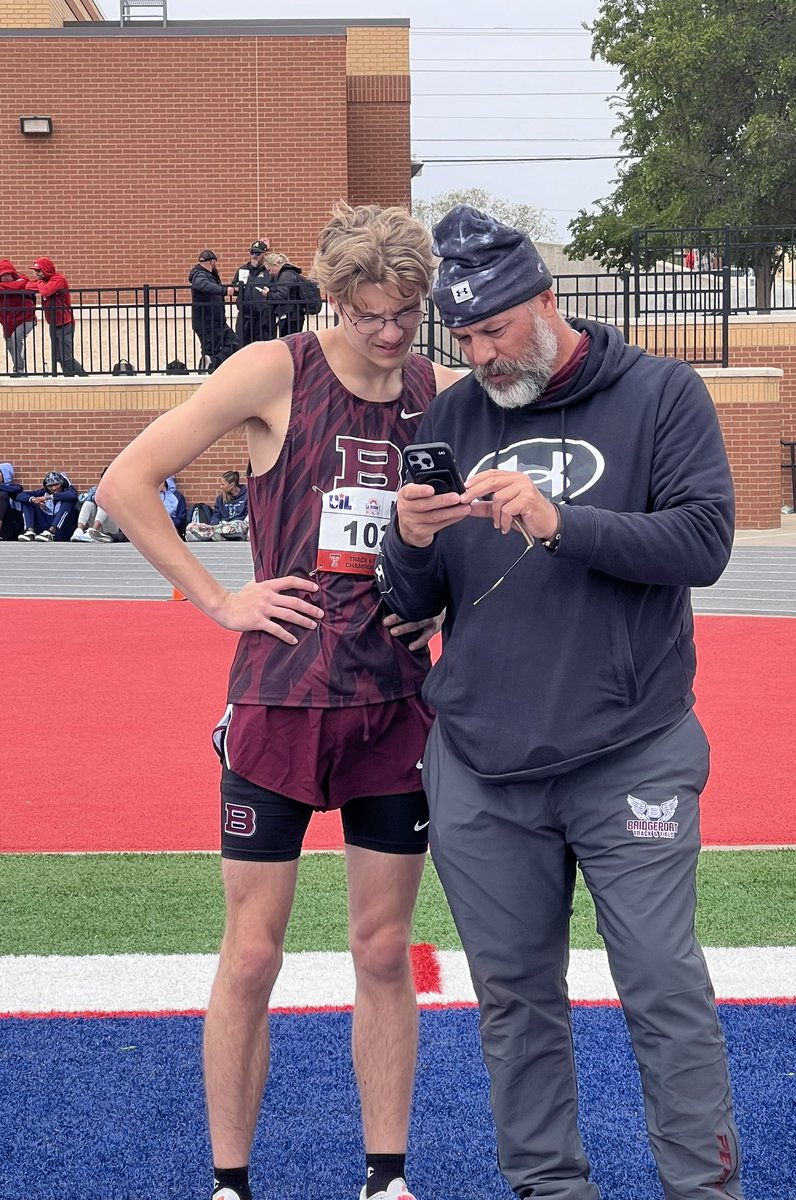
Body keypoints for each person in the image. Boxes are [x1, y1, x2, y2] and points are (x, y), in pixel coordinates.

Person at [377, 204, 744, 1200]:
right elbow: (414, 609)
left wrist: (560, 522)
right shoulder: (449, 419)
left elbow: (703, 545)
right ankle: (550, 1190)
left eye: (495, 329)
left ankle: (703, 1193)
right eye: (463, 338)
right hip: (484, 768)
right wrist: (406, 544)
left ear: (547, 301)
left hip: (631, 750)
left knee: (664, 989)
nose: (482, 355)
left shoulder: (662, 393)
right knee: (513, 1003)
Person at [98, 201, 461, 1200]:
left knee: (383, 946)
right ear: (338, 300)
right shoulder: (277, 371)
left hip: (396, 709)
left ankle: (386, 1176)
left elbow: (456, 543)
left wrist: (436, 609)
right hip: (280, 701)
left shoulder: (437, 392)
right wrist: (219, 597)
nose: (390, 336)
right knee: (254, 955)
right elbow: (126, 481)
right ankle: (230, 1182)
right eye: (371, 315)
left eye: (407, 314)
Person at [25, 257, 87, 376]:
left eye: (39, 271)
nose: (36, 273)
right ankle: (68, 378)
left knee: (66, 357)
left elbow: (46, 291)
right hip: (53, 323)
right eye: (35, 271)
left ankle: (84, 378)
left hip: (65, 323)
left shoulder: (59, 279)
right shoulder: (44, 281)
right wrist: (41, 283)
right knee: (58, 356)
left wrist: (40, 284)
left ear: (46, 269)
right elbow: (28, 286)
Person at [189, 250, 239, 372]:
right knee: (212, 348)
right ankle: (209, 368)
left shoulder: (210, 276)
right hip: (206, 322)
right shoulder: (199, 274)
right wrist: (224, 291)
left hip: (218, 322)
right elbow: (202, 284)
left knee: (235, 344)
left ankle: (211, 361)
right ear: (212, 262)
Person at [231, 240, 274, 346]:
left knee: (263, 347)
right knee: (241, 346)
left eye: (258, 253)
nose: (254, 256)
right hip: (244, 316)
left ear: (265, 254)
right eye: (252, 252)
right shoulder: (242, 269)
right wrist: (236, 289)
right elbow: (233, 288)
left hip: (263, 317)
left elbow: (275, 290)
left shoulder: (269, 271)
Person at [185, 470, 250, 541]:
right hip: (222, 525)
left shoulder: (247, 496)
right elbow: (216, 515)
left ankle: (211, 534)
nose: (221, 486)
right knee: (191, 526)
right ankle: (214, 534)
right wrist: (213, 525)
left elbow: (248, 516)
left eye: (223, 484)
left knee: (235, 526)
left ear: (231, 485)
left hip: (238, 525)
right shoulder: (220, 498)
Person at [17, 470, 78, 541]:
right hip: (43, 530)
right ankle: (29, 532)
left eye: (56, 484)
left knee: (68, 502)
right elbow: (20, 495)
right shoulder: (43, 492)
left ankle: (51, 532)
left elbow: (73, 495)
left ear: (62, 484)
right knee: (27, 501)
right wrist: (34, 500)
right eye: (50, 486)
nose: (54, 488)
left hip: (62, 530)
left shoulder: (68, 491)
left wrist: (48, 497)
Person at [0, 259, 36, 376]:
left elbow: (22, 283)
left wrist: (5, 287)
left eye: (8, 274)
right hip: (7, 321)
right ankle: (18, 368)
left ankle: (19, 371)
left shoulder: (23, 278)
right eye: (2, 275)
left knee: (16, 338)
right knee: (11, 346)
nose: (5, 277)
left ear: (13, 273)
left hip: (26, 318)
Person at [259, 251, 307, 337]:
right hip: (292, 315)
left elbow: (282, 295)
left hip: (291, 316)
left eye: (269, 269)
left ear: (275, 265)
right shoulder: (288, 273)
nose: (270, 273)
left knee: (289, 343)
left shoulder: (286, 275)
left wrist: (268, 294)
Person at [71, 470, 118, 542]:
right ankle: (79, 530)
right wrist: (94, 498)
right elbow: (82, 499)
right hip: (96, 522)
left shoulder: (119, 490)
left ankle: (93, 532)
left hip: (111, 527)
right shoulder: (95, 489)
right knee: (88, 503)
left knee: (103, 502)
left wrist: (97, 498)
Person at [0, 461, 23, 538]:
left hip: (10, 527)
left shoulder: (15, 488)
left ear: (5, 474)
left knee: (3, 495)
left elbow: (17, 490)